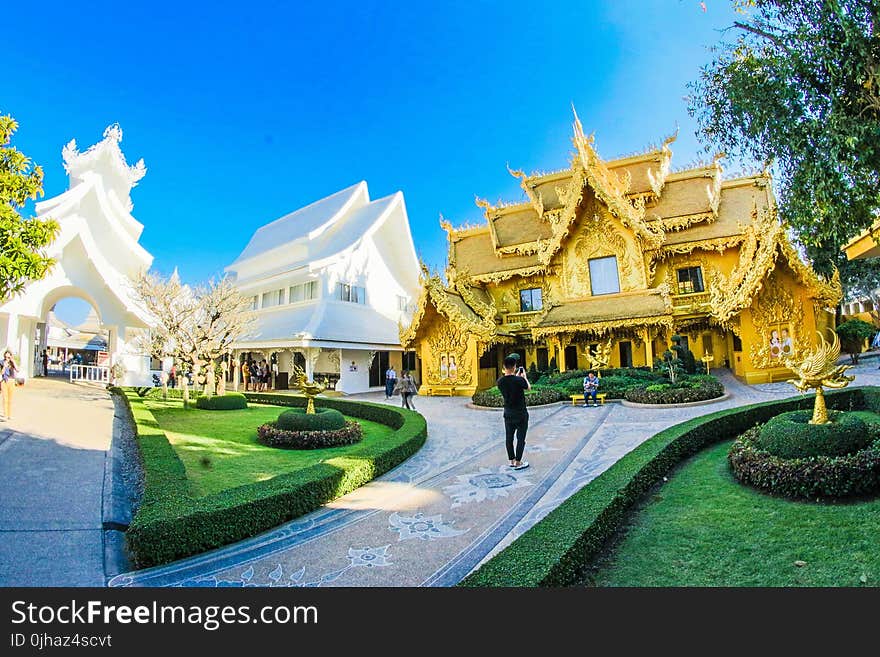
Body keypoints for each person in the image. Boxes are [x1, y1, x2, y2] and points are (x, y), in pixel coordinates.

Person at [497, 354, 530, 470]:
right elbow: (528, 387)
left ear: (504, 367)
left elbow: (510, 381)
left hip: (508, 413)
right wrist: (524, 376)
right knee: (521, 438)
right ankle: (518, 462)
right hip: (521, 413)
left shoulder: (500, 382)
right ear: (515, 367)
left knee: (509, 438)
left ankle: (511, 460)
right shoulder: (519, 380)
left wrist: (517, 377)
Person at [1, 350, 18, 420]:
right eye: (6, 357)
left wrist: (13, 362)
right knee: (5, 399)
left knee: (10, 399)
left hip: (11, 381)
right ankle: (5, 415)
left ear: (11, 356)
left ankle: (9, 415)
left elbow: (18, 369)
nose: (7, 358)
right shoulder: (1, 362)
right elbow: (1, 373)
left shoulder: (12, 363)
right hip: (4, 381)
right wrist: (4, 366)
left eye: (8, 357)